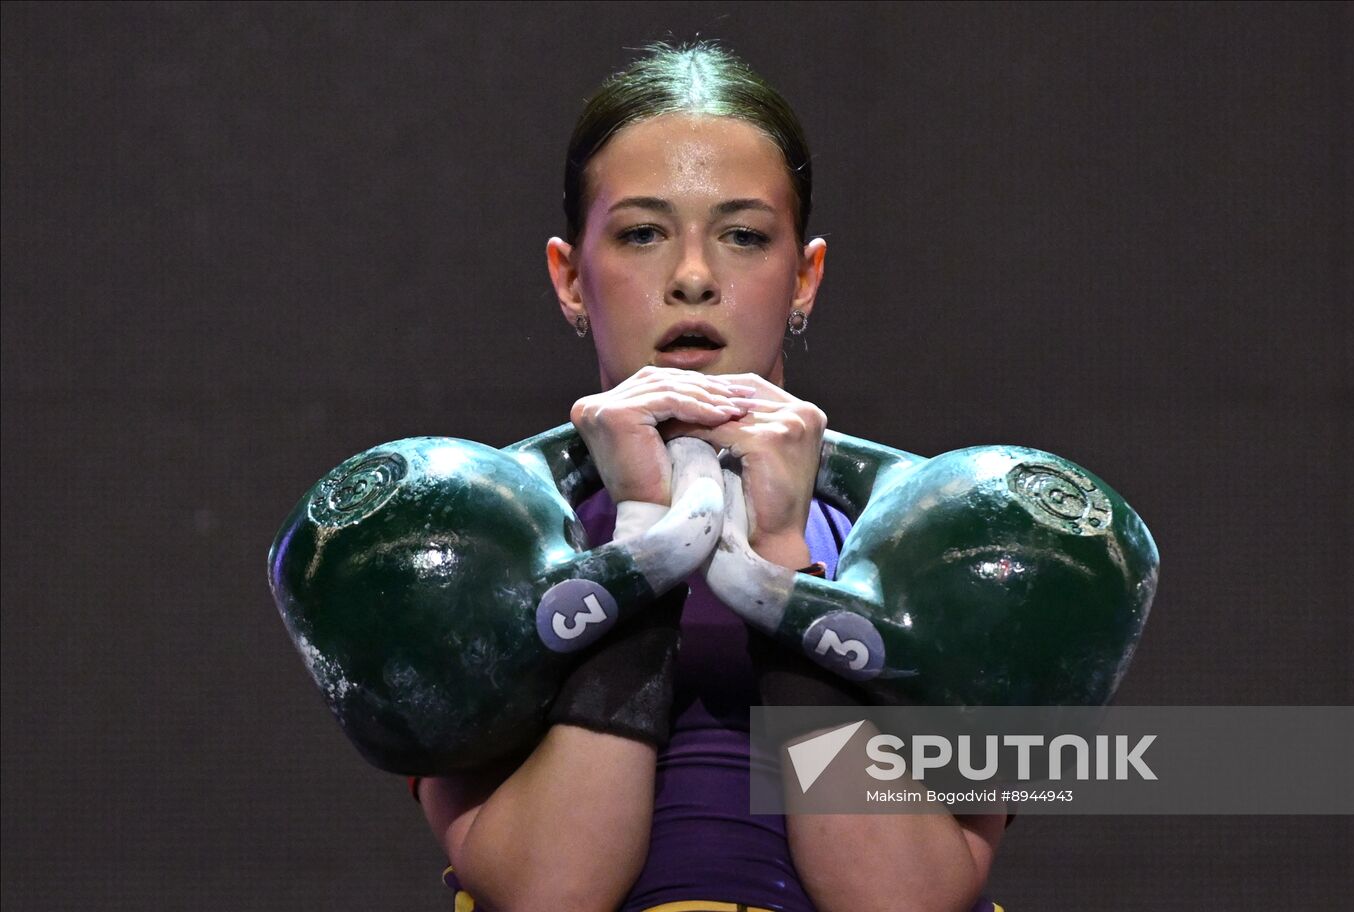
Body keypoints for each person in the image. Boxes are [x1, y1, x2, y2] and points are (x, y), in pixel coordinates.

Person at [412, 41, 1008, 912]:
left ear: (805, 276)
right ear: (570, 277)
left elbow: (899, 897)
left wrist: (779, 567)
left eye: (742, 235)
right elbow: (553, 890)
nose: (693, 278)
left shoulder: (950, 545)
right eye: (644, 233)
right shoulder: (465, 543)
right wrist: (645, 547)